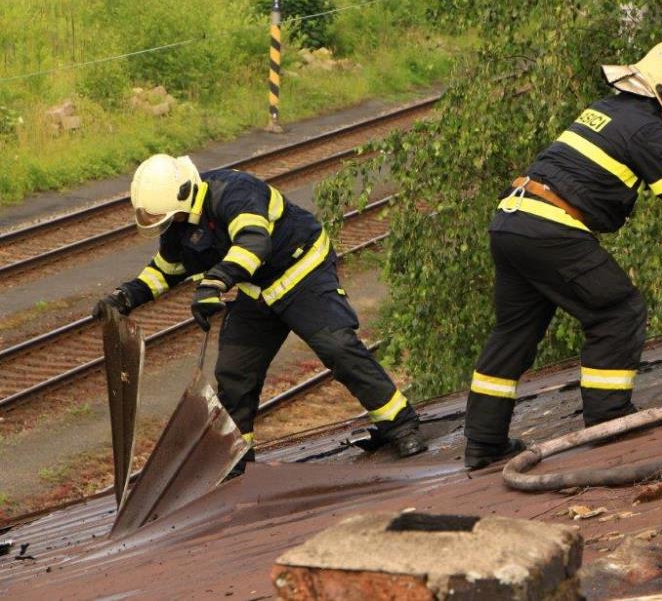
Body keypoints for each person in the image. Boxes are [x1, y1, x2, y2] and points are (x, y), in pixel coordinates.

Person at [464, 40, 662, 469]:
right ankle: (609, 420)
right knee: (618, 310)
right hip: (552, 229)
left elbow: (652, 164)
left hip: (513, 221)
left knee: (513, 336)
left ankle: (483, 443)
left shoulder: (609, 110)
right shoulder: (647, 129)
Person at [95, 154, 426, 475]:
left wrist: (214, 284)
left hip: (302, 274)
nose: (168, 225)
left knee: (337, 347)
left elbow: (253, 244)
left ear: (184, 195)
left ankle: (400, 424)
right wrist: (124, 297)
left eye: (168, 218)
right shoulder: (178, 223)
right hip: (258, 293)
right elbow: (165, 270)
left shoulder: (234, 192)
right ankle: (238, 459)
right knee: (234, 373)